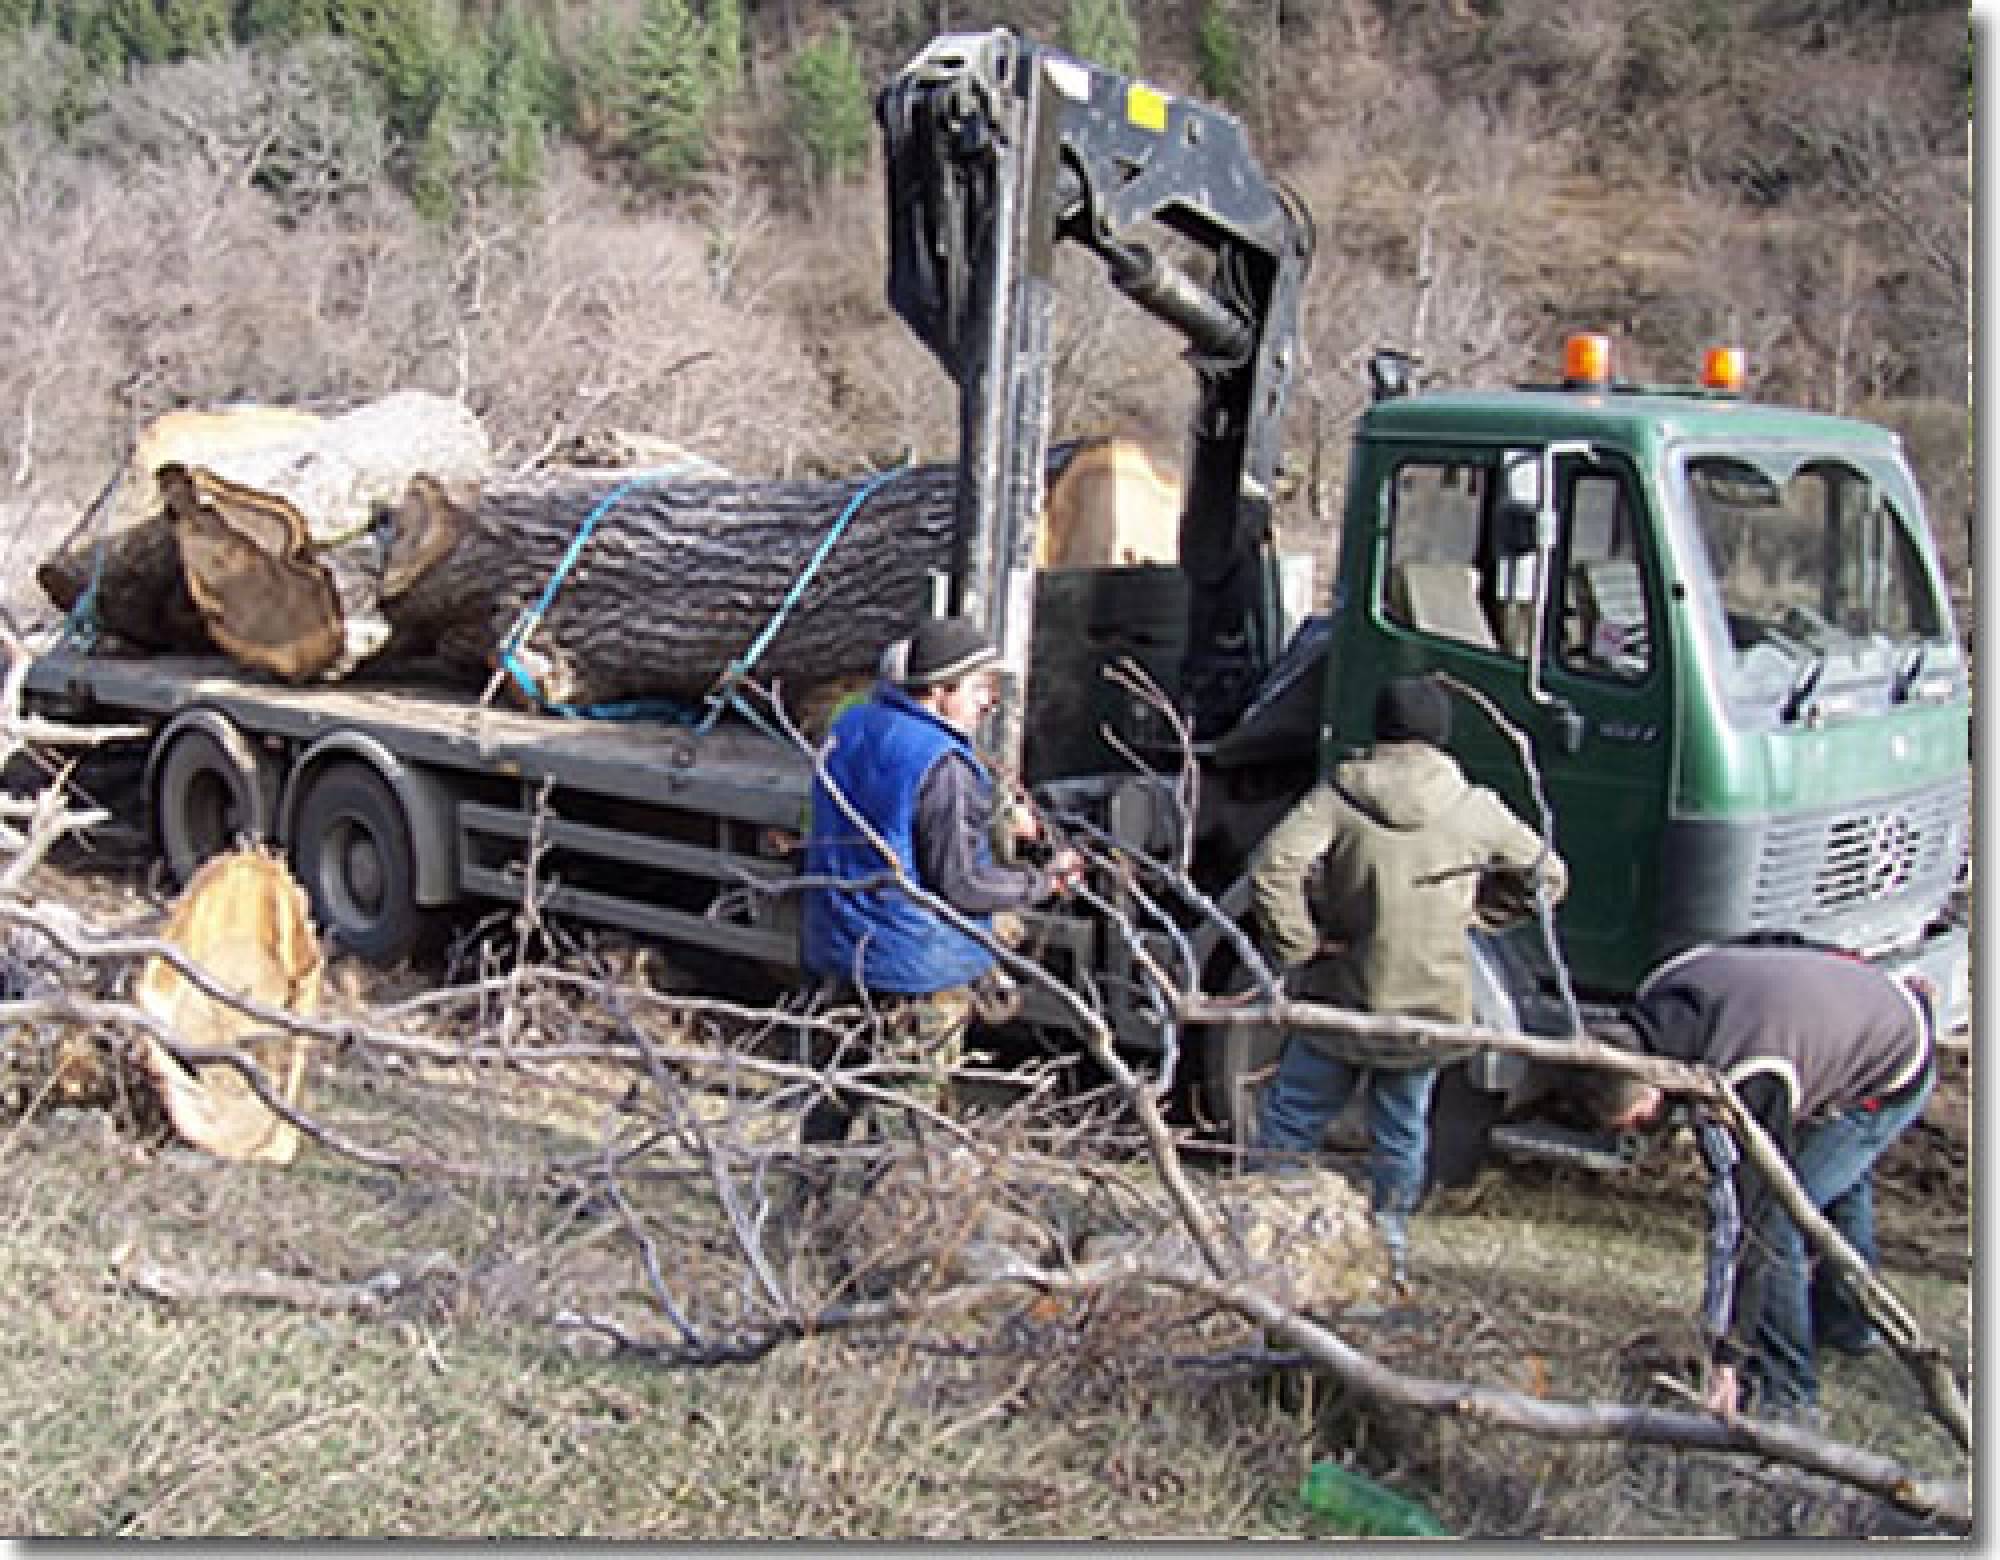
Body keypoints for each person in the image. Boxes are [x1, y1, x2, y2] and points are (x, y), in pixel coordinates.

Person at [1248, 674, 1566, 1284]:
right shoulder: (1474, 807)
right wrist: (1481, 915)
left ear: (1381, 729)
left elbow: (1273, 867)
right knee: (1401, 1131)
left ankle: (1269, 1244)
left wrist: (1301, 945)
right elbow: (1547, 876)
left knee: (1291, 1121)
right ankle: (1388, 1251)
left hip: (1341, 996)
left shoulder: (1339, 798)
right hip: (1428, 1008)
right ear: (1441, 737)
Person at [1583, 938, 1937, 1422]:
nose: (1649, 1131)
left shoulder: (1748, 1074)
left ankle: (1787, 1392)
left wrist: (1726, 1354)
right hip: (1858, 1020)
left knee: (1782, 1222)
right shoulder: (1662, 986)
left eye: (1643, 1119)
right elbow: (1772, 945)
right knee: (1833, 1188)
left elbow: (1747, 1224)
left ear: (1656, 1085)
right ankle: (1851, 1327)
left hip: (1892, 1069)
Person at [799, 615, 1083, 1142]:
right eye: (978, 688)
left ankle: (802, 1212)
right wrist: (1041, 883)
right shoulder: (942, 764)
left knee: (833, 1100)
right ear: (938, 690)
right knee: (909, 1124)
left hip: (841, 949)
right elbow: (959, 885)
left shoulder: (852, 726)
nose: (988, 702)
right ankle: (891, 1220)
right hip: (914, 972)